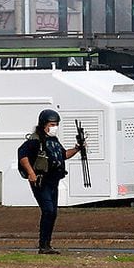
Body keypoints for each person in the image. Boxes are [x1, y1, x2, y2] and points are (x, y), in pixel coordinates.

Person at [18, 109, 83, 254]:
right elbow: (23, 156)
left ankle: (47, 244)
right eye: (52, 124)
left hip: (54, 181)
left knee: (53, 212)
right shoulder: (35, 140)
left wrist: (77, 149)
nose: (54, 127)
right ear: (43, 124)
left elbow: (63, 155)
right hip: (41, 182)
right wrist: (31, 173)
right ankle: (43, 245)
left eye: (56, 124)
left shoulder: (53, 141)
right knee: (48, 210)